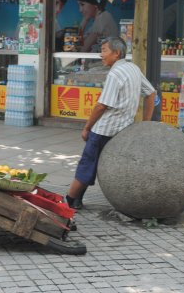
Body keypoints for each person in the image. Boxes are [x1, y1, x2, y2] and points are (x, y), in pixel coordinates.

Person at [65, 37, 156, 209]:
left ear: (117, 53)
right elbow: (151, 93)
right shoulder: (133, 68)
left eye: (105, 50)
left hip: (104, 130)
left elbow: (101, 105)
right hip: (123, 129)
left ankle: (70, 200)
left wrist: (87, 127)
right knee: (97, 164)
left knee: (87, 164)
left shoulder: (115, 74)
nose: (101, 55)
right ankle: (77, 199)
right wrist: (146, 123)